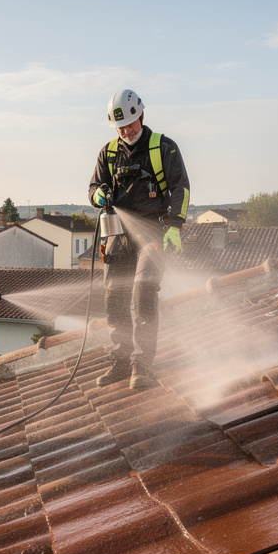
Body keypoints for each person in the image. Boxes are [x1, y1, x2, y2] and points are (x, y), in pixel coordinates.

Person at [88, 88, 190, 390]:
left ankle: (142, 366)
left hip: (154, 232)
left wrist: (176, 226)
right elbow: (93, 187)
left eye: (130, 124)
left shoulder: (164, 147)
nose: (126, 131)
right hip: (119, 234)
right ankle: (120, 362)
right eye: (120, 127)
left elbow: (180, 188)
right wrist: (98, 194)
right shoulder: (107, 152)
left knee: (143, 292)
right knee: (114, 297)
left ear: (141, 116)